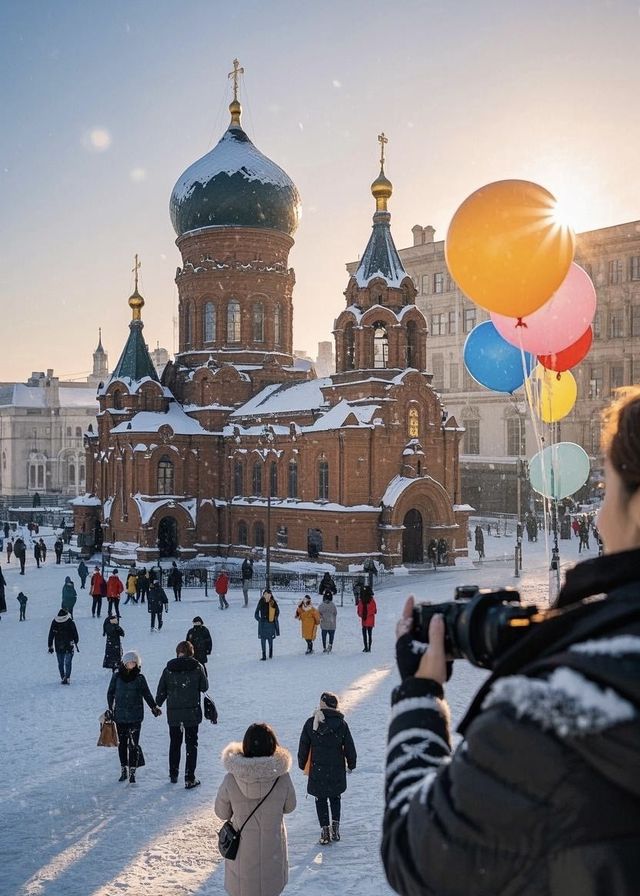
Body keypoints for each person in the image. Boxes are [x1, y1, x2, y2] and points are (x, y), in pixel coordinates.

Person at [381, 387, 640, 896]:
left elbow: (420, 855)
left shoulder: (558, 714)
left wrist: (419, 698)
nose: (599, 515)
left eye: (606, 486)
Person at [215, 722, 296, 896]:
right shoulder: (282, 777)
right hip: (272, 855)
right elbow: (290, 807)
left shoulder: (231, 778)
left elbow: (221, 813)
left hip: (242, 859)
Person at [297, 692, 357, 844]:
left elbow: (304, 745)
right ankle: (335, 827)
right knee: (335, 797)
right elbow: (349, 746)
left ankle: (325, 831)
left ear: (322, 705)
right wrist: (351, 763)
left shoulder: (312, 723)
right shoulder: (342, 724)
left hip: (318, 769)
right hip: (336, 767)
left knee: (320, 798)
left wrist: (301, 762)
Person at [155, 640, 208, 788]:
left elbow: (161, 691)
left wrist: (157, 704)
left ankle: (173, 774)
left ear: (178, 652)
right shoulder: (197, 667)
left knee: (175, 743)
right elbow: (204, 687)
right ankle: (189, 778)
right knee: (192, 745)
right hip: (192, 713)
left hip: (174, 714)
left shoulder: (168, 669)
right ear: (191, 652)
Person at [107, 650, 162, 784]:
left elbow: (146, 694)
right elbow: (110, 693)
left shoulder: (140, 678)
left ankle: (132, 771)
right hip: (120, 717)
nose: (131, 665)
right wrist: (110, 708)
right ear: (124, 663)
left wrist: (154, 707)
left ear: (137, 664)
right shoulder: (117, 677)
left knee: (133, 745)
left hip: (135, 717)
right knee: (122, 744)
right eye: (128, 663)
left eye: (133, 663)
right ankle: (123, 769)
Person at [47, 607, 79, 684]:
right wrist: (76, 641)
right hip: (69, 644)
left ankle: (63, 676)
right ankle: (67, 677)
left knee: (60, 663)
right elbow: (75, 632)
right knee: (68, 662)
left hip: (58, 645)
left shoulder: (55, 622)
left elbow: (51, 634)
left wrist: (50, 645)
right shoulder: (70, 621)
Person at [255, 589, 280, 660]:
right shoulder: (261, 601)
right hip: (263, 624)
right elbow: (256, 613)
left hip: (270, 624)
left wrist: (274, 617)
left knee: (270, 639)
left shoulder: (273, 602)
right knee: (262, 640)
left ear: (271, 595)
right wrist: (259, 619)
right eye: (265, 594)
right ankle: (264, 655)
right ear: (263, 595)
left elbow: (277, 612)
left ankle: (270, 653)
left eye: (268, 594)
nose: (267, 596)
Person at [356, 585, 377, 652]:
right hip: (370, 620)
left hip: (364, 620)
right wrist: (369, 614)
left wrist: (363, 615)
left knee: (364, 634)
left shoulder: (361, 601)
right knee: (370, 634)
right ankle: (369, 647)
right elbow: (375, 611)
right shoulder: (372, 600)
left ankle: (365, 647)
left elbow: (359, 611)